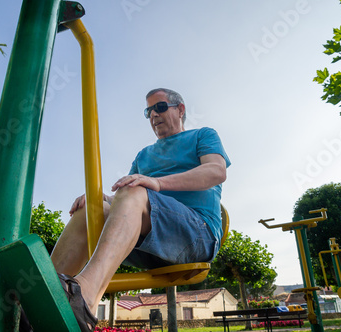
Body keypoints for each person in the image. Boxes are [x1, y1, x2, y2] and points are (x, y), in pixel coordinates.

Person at [21, 88, 230, 332]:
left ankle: (85, 297)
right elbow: (127, 197)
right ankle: (38, 301)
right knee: (92, 208)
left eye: (160, 107)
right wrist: (102, 198)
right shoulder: (145, 155)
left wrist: (158, 183)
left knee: (134, 189)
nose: (153, 115)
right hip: (149, 242)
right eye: (148, 111)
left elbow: (217, 171)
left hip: (197, 234)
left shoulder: (202, 135)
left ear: (180, 109)